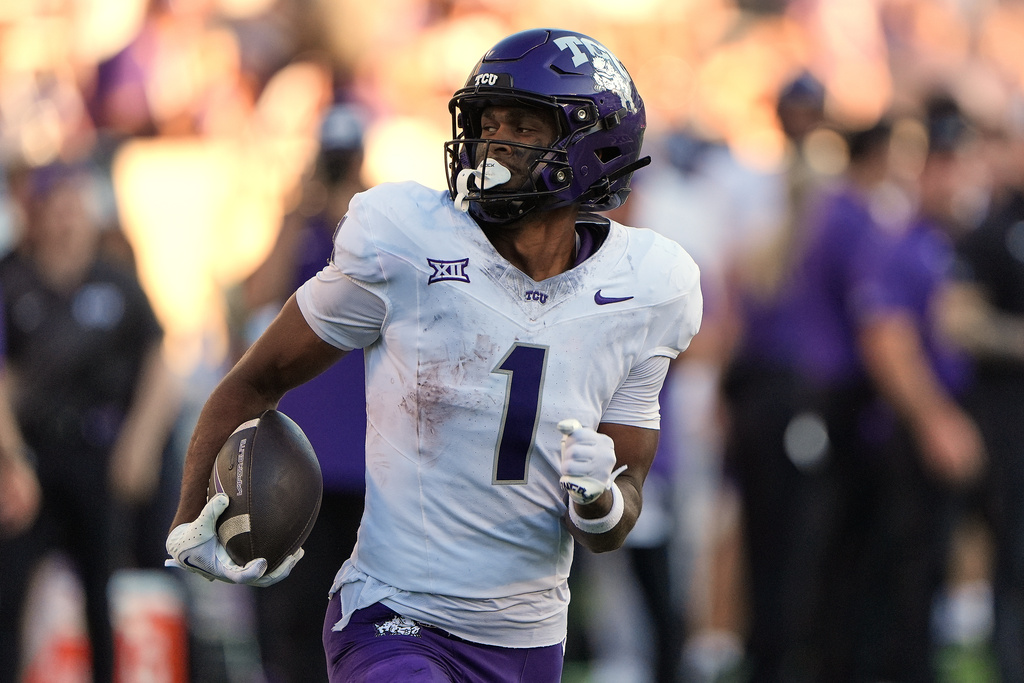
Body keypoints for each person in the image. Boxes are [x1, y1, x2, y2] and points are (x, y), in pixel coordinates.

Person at [164, 27, 703, 683]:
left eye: (523, 124)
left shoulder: (649, 287)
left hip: (526, 639)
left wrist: (598, 502)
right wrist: (190, 514)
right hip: (393, 614)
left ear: (594, 145)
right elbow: (258, 376)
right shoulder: (407, 240)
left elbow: (620, 509)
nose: (493, 140)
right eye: (486, 120)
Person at [0, 162, 174, 683]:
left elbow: (160, 363)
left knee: (100, 591)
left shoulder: (117, 282)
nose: (64, 221)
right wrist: (10, 460)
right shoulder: (13, 281)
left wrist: (140, 445)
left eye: (73, 207)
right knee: (9, 592)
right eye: (54, 209)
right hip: (31, 457)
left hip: (96, 453)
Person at [240, 101, 369, 683]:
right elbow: (255, 294)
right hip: (307, 456)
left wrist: (356, 204)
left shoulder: (372, 236)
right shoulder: (302, 232)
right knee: (296, 605)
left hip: (364, 457)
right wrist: (294, 213)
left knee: (357, 603)